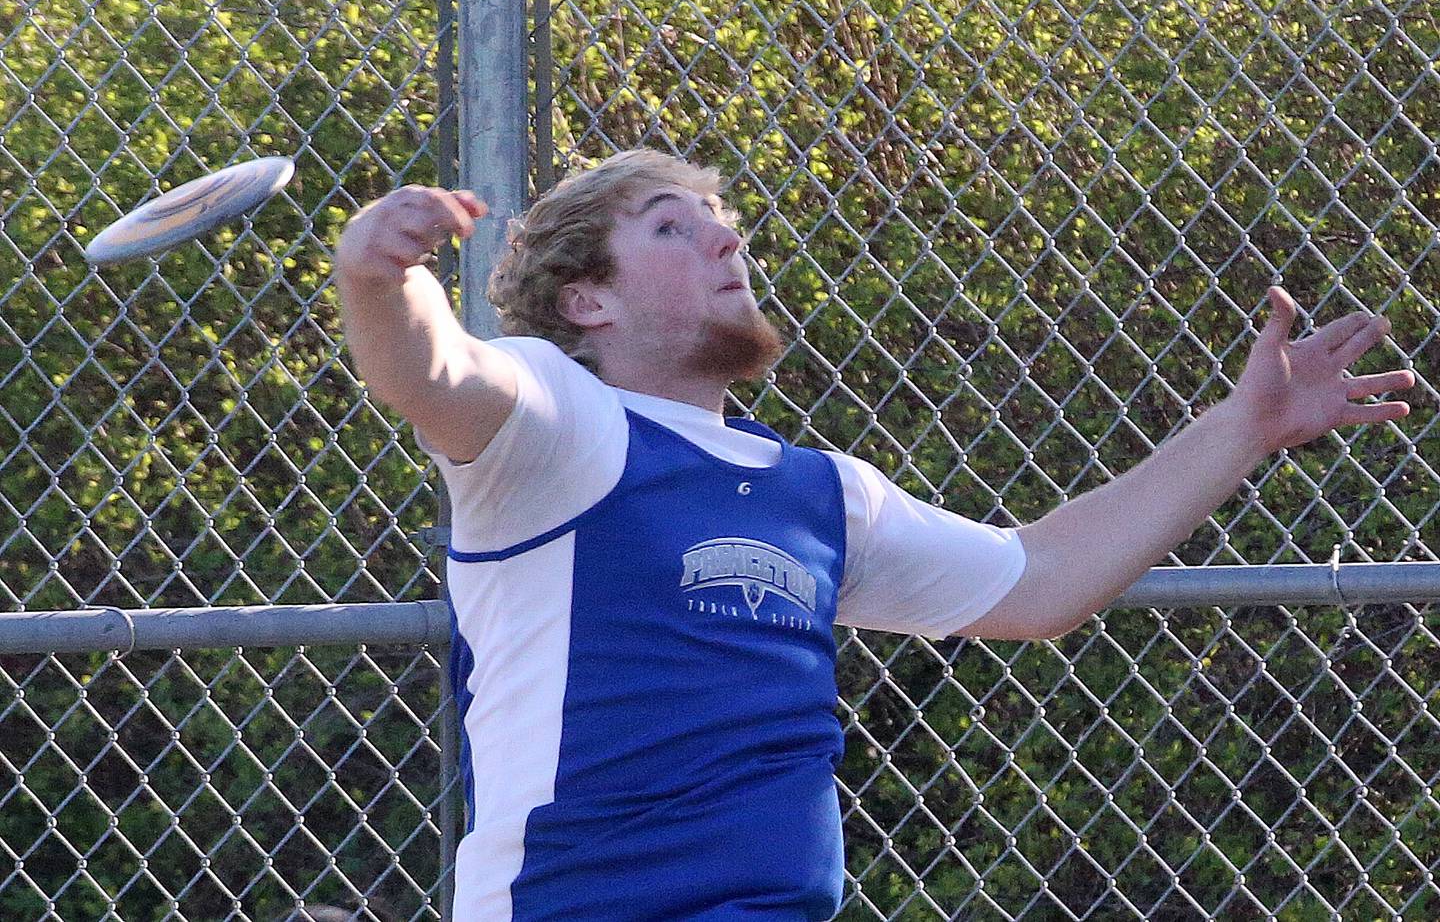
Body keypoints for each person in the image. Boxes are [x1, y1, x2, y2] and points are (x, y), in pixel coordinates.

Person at [334, 149, 1414, 920]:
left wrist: (1244, 429)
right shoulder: (555, 423)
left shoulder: (819, 493)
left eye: (720, 218)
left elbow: (1040, 582)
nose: (724, 234)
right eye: (671, 224)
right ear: (587, 305)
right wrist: (379, 277)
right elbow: (429, 368)